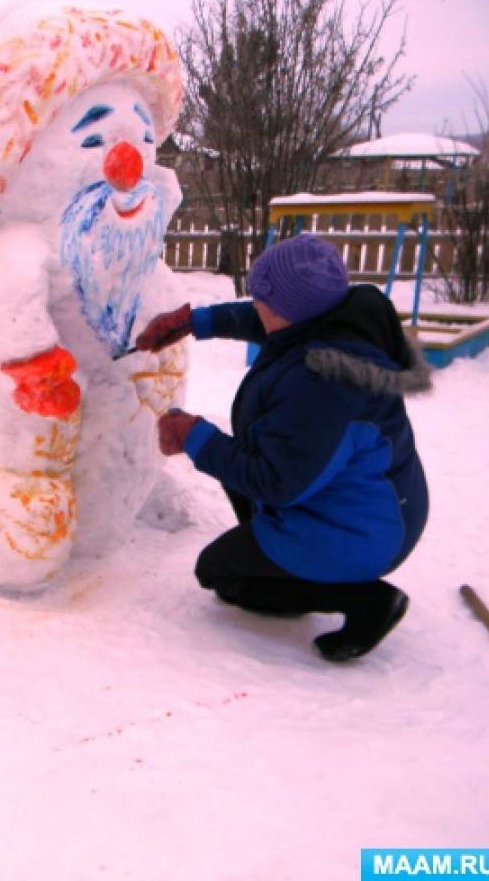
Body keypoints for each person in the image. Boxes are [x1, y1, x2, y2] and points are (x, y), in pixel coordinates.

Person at [134, 234, 430, 661]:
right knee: (238, 465)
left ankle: (366, 600)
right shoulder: (331, 322)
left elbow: (277, 482)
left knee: (220, 573)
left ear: (292, 312)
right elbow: (260, 321)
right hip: (369, 500)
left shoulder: (324, 383)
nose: (254, 308)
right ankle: (278, 545)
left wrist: (193, 436)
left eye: (261, 301)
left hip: (360, 531)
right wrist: (193, 323)